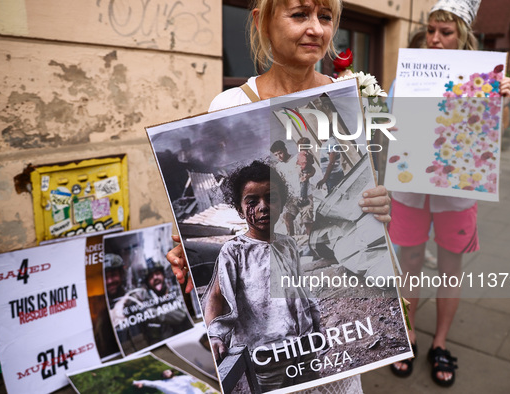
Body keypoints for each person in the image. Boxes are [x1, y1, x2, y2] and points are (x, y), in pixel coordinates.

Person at [167, 1, 391, 392]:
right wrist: (181, 250)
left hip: (319, 362)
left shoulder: (349, 100)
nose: (317, 30)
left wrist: (380, 205)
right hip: (264, 365)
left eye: (325, 17)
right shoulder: (228, 106)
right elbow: (219, 295)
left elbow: (367, 188)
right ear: (263, 21)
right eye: (300, 14)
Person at [388, 0, 510, 387]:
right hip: (409, 191)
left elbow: (495, 134)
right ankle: (408, 334)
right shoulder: (408, 74)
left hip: (456, 194)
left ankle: (439, 343)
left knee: (450, 268)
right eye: (431, 31)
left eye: (446, 32)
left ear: (462, 36)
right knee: (408, 262)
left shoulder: (483, 76)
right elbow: (389, 127)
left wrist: (501, 101)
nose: (436, 39)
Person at [203, 160, 321, 391]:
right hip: (266, 354)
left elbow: (301, 288)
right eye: (252, 201)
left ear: (282, 203)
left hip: (303, 347)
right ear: (239, 209)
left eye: (271, 198)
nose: (263, 206)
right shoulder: (234, 251)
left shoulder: (288, 244)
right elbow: (217, 297)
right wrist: (214, 337)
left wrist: (315, 327)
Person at [296, 137, 316, 206]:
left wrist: (301, 168)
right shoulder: (308, 153)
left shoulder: (301, 154)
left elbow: (304, 161)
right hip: (309, 169)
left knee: (303, 184)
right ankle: (305, 197)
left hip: (304, 170)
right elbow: (312, 161)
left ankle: (303, 198)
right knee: (305, 183)